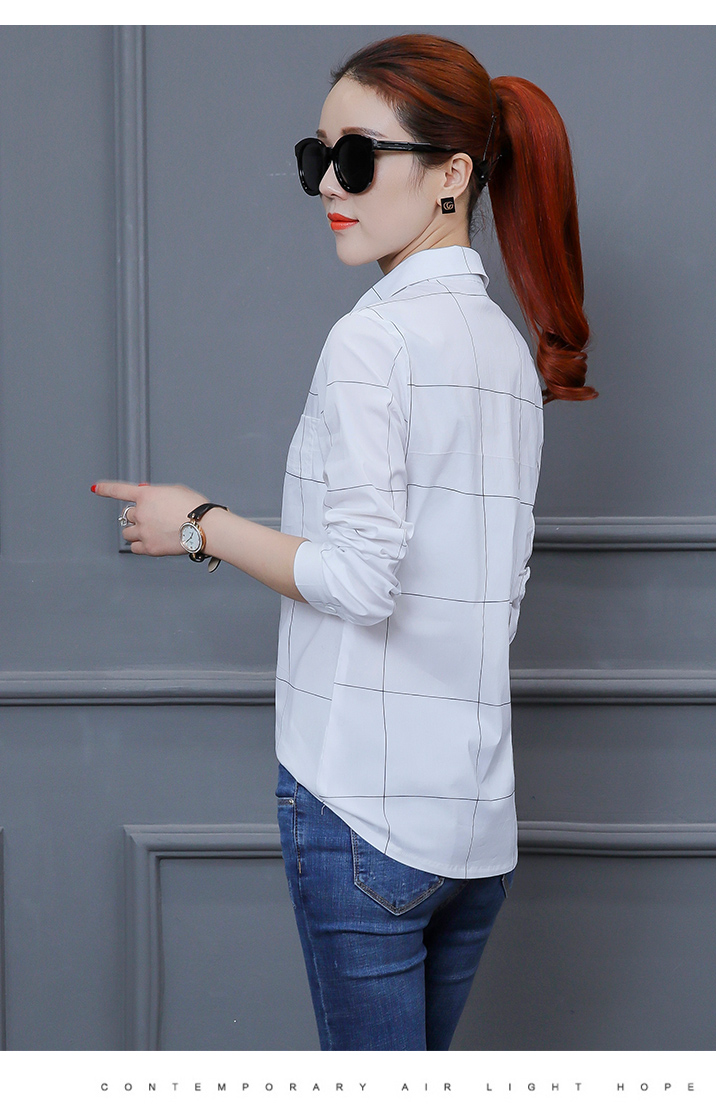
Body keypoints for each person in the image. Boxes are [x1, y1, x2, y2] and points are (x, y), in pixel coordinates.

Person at [92, 32, 596, 1050]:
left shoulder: (374, 339)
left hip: (364, 807)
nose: (329, 182)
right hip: (474, 822)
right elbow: (495, 586)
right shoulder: (508, 349)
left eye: (357, 157)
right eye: (316, 156)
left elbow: (364, 582)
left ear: (452, 175)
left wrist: (198, 525)